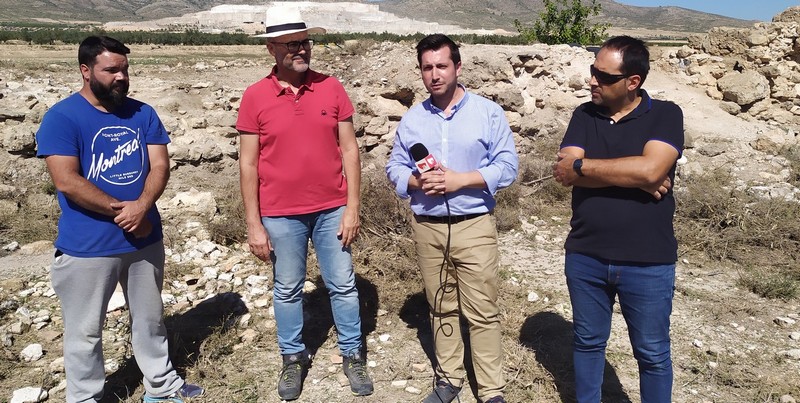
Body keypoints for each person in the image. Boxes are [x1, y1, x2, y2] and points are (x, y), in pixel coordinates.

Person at [35, 36, 204, 403]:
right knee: (84, 332)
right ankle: (86, 397)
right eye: (111, 70)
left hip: (145, 238)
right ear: (86, 70)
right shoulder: (62, 117)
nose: (121, 77)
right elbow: (67, 180)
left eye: (124, 69)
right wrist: (126, 212)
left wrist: (142, 207)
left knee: (150, 320)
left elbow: (160, 165)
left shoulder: (142, 114)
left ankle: (162, 386)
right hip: (88, 245)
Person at [236, 7, 372, 401]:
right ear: (271, 49)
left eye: (305, 42)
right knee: (288, 288)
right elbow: (247, 163)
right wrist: (254, 224)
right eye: (292, 44)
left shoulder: (331, 87)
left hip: (332, 208)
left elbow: (349, 150)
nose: (301, 50)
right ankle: (293, 358)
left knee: (343, 285)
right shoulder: (255, 96)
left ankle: (352, 354)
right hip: (279, 213)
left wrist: (352, 207)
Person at [386, 34, 518, 403]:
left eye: (442, 65)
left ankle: (491, 390)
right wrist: (414, 180)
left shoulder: (487, 113)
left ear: (458, 67)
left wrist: (461, 179)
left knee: (482, 311)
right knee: (440, 306)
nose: (434, 75)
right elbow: (394, 166)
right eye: (427, 68)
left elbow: (507, 167)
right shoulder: (412, 119)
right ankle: (449, 380)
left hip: (473, 224)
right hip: (427, 226)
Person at [552, 35, 684, 403]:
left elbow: (650, 170)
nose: (593, 81)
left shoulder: (665, 114)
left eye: (604, 77)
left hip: (648, 261)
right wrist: (636, 175)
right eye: (593, 71)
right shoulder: (584, 115)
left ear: (633, 82)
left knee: (653, 353)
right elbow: (564, 172)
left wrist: (591, 169)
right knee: (588, 343)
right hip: (586, 255)